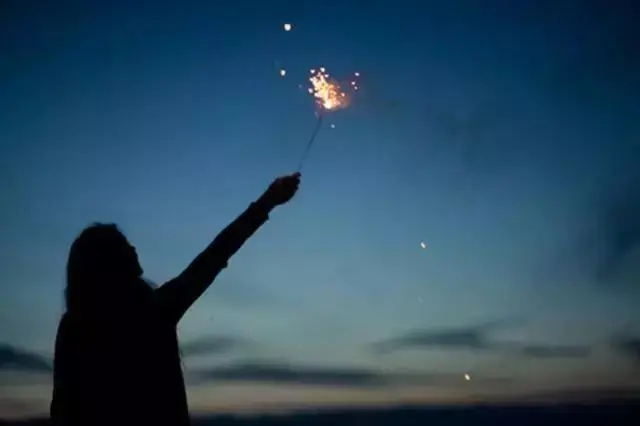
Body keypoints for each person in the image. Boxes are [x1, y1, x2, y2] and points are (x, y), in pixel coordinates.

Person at [50, 172, 301, 426]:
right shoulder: (154, 312)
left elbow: (63, 408)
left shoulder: (74, 327)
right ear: (108, 263)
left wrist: (268, 201)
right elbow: (215, 255)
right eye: (124, 245)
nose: (133, 249)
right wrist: (268, 201)